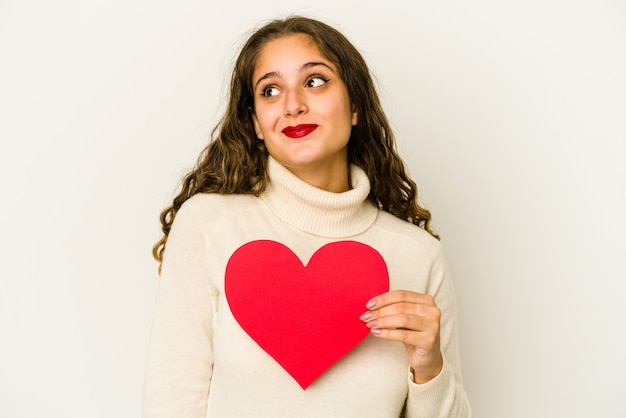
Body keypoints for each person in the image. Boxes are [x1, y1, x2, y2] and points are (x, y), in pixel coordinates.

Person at [143, 15, 471, 418]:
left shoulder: (419, 256)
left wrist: (429, 369)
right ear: (256, 124)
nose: (293, 104)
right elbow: (170, 402)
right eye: (270, 90)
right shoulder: (209, 225)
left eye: (314, 81)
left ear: (355, 107)